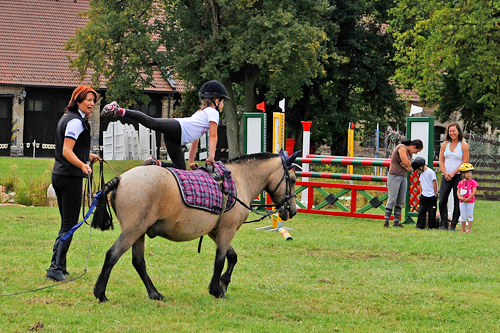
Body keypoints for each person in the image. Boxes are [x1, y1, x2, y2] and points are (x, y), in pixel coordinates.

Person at [101, 80, 229, 170]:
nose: (223, 105)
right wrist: (211, 157)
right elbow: (213, 136)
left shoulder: (204, 113)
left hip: (176, 138)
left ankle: (154, 163)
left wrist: (190, 162)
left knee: (180, 167)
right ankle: (118, 110)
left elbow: (195, 141)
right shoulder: (213, 112)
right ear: (216, 101)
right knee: (151, 122)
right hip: (177, 128)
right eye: (222, 101)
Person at [47, 85, 101, 282]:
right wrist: (83, 165)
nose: (92, 104)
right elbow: (67, 151)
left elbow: (71, 148)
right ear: (78, 100)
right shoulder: (76, 122)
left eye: (93, 100)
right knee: (69, 224)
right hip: (69, 177)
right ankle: (55, 268)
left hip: (60, 175)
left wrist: (88, 156)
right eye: (88, 100)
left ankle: (59, 265)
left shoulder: (68, 118)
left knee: (66, 223)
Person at [384, 139, 424, 228]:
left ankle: (396, 222)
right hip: (394, 175)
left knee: (400, 200)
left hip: (403, 176)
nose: (416, 153)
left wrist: (407, 165)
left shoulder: (410, 154)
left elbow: (410, 168)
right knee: (392, 199)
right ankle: (386, 221)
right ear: (413, 147)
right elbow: (406, 162)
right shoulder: (401, 147)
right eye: (416, 151)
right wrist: (406, 165)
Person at [438, 122, 470, 231]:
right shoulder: (445, 145)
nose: (452, 133)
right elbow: (441, 160)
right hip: (446, 175)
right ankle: (444, 223)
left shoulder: (463, 145)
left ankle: (453, 224)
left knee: (457, 200)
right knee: (442, 199)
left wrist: (453, 172)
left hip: (458, 176)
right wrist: (445, 172)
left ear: (458, 131)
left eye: (454, 131)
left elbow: (465, 161)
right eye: (450, 131)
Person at [412, 157, 438, 230]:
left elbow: (434, 182)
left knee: (432, 211)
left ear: (421, 167)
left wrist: (435, 193)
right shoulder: (422, 174)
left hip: (431, 195)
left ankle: (431, 226)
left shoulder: (430, 172)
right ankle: (420, 225)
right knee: (422, 211)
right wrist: (421, 192)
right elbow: (421, 183)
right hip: (424, 195)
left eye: (418, 169)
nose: (417, 171)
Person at [457, 163, 478, 233]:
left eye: (470, 173)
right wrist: (460, 197)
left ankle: (469, 228)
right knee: (463, 215)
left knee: (470, 214)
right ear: (463, 174)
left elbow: (474, 191)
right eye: (467, 173)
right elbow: (458, 191)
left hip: (470, 202)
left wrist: (469, 198)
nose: (469, 174)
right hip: (462, 202)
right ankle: (463, 228)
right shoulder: (461, 182)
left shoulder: (473, 182)